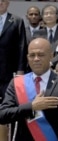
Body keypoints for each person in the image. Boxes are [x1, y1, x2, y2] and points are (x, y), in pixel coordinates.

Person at [0, 38, 58, 141]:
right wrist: (31, 106)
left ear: (51, 56)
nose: (36, 59)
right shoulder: (16, 83)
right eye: (32, 55)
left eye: (41, 55)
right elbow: (3, 115)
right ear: (27, 57)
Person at [0, 0, 27, 139]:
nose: (0, 3)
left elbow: (22, 46)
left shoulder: (16, 20)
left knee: (9, 107)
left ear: (8, 3)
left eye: (3, 0)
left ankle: (10, 137)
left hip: (8, 73)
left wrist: (20, 70)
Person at [33, 4, 58, 69]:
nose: (48, 15)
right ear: (42, 17)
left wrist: (51, 62)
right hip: (41, 67)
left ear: (57, 16)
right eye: (46, 13)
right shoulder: (37, 34)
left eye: (51, 13)